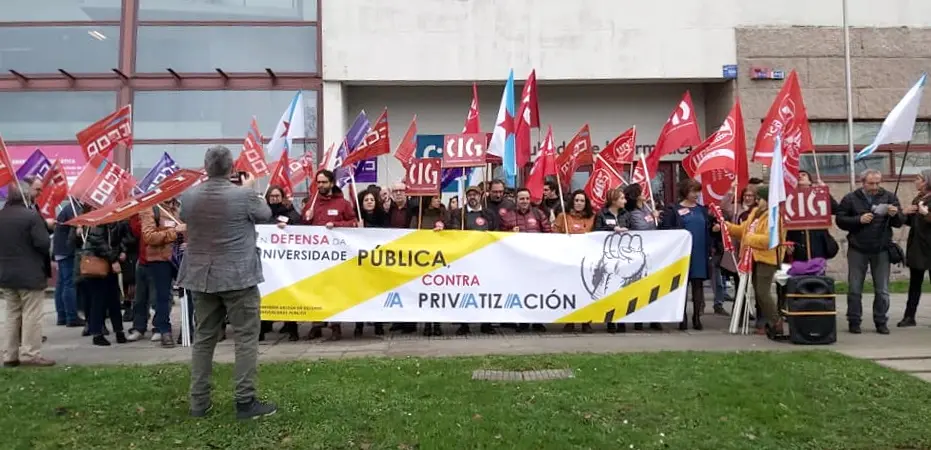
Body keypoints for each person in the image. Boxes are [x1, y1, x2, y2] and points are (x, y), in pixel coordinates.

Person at [178, 145, 277, 420]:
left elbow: (186, 217)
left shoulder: (189, 196)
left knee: (204, 338)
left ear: (206, 167)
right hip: (238, 277)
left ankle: (199, 402)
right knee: (246, 338)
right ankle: (245, 402)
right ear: (232, 168)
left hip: (202, 276)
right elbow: (265, 214)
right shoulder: (245, 195)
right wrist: (252, 187)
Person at [835, 169, 903, 335]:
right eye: (871, 183)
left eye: (878, 183)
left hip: (881, 248)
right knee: (855, 287)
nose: (875, 187)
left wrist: (895, 215)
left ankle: (881, 321)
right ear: (862, 182)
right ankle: (854, 321)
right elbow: (840, 220)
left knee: (882, 289)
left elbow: (900, 222)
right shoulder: (851, 198)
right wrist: (858, 219)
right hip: (858, 247)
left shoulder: (889, 197)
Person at [0, 183, 54, 367]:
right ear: (25, 196)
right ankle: (30, 353)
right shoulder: (31, 216)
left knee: (11, 314)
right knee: (31, 315)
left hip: (6, 273)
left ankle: (9, 354)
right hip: (30, 273)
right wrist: (47, 227)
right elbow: (43, 244)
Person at [304, 169, 357, 341]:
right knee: (316, 290)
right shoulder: (312, 201)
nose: (320, 186)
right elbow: (302, 224)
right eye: (318, 182)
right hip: (315, 256)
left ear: (331, 183)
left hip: (335, 257)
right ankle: (316, 324)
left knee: (334, 291)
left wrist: (336, 224)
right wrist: (306, 217)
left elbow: (353, 223)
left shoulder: (342, 203)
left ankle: (336, 326)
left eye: (323, 182)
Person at [659, 178, 719, 331]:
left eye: (698, 192)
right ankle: (682, 316)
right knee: (682, 287)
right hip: (682, 254)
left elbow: (710, 228)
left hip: (699, 252)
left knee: (698, 285)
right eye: (693, 191)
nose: (696, 195)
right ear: (685, 192)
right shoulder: (673, 209)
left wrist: (715, 228)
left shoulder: (702, 210)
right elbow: (666, 229)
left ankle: (697, 317)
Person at [727, 186, 785, 336]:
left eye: (760, 198)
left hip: (767, 258)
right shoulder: (755, 213)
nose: (757, 201)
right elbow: (743, 230)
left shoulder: (774, 216)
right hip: (752, 257)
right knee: (759, 293)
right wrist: (727, 227)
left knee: (763, 292)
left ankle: (776, 321)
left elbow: (770, 240)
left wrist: (749, 239)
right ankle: (771, 322)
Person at [442, 186, 499, 336]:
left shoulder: (488, 214)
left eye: (475, 194)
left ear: (480, 196)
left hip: (485, 259)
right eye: (470, 195)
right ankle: (464, 324)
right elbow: (452, 231)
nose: (473, 197)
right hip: (465, 259)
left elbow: (496, 232)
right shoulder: (458, 214)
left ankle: (486, 323)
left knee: (485, 291)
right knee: (465, 291)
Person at [126, 201, 181, 348]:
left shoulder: (179, 206)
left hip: (179, 257)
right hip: (159, 259)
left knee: (187, 294)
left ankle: (188, 330)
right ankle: (164, 331)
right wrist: (174, 232)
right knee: (160, 297)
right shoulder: (151, 208)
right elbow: (148, 236)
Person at [500, 188, 551, 333]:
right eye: (522, 199)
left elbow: (549, 234)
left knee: (538, 291)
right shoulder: (508, 217)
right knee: (521, 291)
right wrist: (510, 233)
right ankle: (523, 321)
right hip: (518, 262)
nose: (525, 201)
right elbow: (499, 236)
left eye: (527, 198)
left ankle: (538, 321)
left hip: (536, 260)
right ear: (516, 200)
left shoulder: (538, 214)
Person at [78, 213, 127, 347]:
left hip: (109, 262)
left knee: (114, 299)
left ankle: (118, 331)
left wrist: (122, 250)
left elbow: (119, 239)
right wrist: (113, 259)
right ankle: (97, 333)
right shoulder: (99, 218)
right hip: (98, 264)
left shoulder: (116, 217)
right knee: (98, 299)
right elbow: (97, 241)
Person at [621, 184, 664, 332]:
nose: (644, 193)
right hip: (640, 255)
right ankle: (639, 319)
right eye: (640, 192)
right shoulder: (633, 213)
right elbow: (642, 228)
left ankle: (653, 318)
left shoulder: (646, 209)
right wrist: (653, 218)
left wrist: (653, 216)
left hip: (653, 253)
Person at [260, 186, 300, 342]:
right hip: (267, 262)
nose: (275, 198)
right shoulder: (263, 213)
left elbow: (299, 224)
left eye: (277, 196)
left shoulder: (289, 212)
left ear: (282, 197)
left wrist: (289, 225)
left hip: (285, 261)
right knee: (265, 295)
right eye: (272, 196)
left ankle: (292, 329)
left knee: (287, 295)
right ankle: (262, 329)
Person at [557, 190, 597, 333]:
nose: (579, 203)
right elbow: (553, 235)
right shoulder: (563, 216)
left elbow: (597, 236)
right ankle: (569, 321)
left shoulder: (592, 218)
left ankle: (586, 321)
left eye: (582, 201)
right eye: (577, 200)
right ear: (572, 201)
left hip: (586, 261)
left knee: (586, 291)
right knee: (569, 291)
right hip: (568, 260)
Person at [899, 168, 931, 328]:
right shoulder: (918, 198)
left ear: (926, 181)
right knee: (915, 284)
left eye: (918, 178)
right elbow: (912, 222)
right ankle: (909, 316)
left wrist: (926, 214)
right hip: (918, 247)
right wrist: (904, 213)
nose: (915, 181)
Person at [785, 170, 840, 262]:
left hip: (817, 241)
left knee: (817, 272)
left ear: (810, 181)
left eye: (804, 175)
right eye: (797, 175)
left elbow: (835, 209)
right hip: (796, 242)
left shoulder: (818, 195)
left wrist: (825, 191)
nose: (800, 176)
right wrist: (786, 242)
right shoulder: (789, 198)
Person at [355, 189, 389, 337]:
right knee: (360, 295)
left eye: (372, 199)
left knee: (377, 294)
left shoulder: (383, 218)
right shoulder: (356, 219)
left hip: (377, 263)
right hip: (360, 264)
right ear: (361, 203)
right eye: (366, 200)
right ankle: (359, 325)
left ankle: (378, 324)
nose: (369, 202)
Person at [418, 195, 448, 336]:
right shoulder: (419, 215)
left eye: (439, 198)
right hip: (423, 258)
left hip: (440, 258)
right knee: (425, 293)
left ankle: (437, 323)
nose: (438, 200)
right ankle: (426, 324)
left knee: (437, 293)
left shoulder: (444, 214)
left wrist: (444, 227)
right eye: (435, 198)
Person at [53, 201, 84, 328]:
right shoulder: (74, 208)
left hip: (59, 248)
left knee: (61, 283)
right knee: (69, 283)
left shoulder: (68, 207)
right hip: (67, 249)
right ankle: (71, 316)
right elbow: (77, 227)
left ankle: (62, 316)